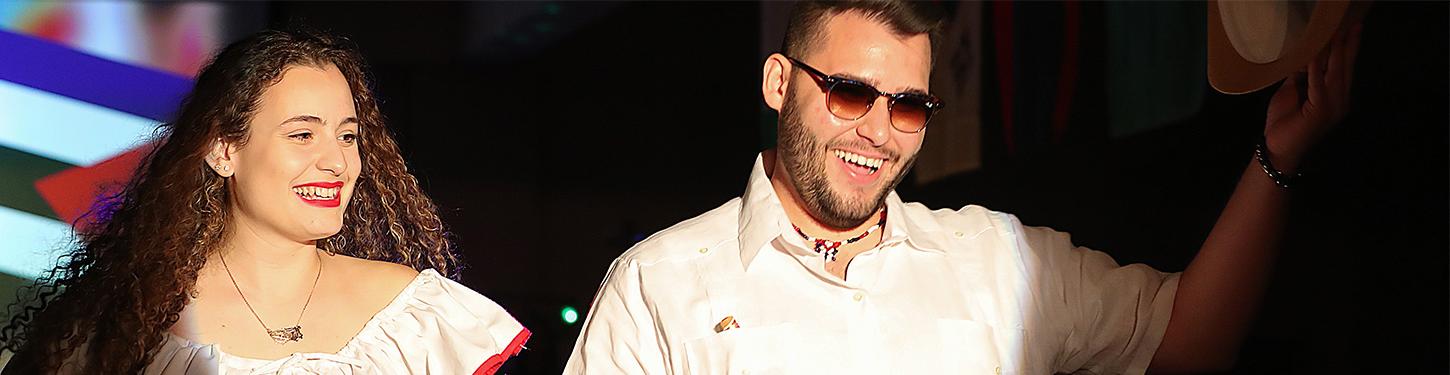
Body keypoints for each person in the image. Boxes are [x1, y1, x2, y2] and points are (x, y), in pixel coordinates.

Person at [564, 1, 1359, 374]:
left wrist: (1276, 157)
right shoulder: (658, 285)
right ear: (779, 82)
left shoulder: (997, 261)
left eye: (908, 104)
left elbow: (1188, 335)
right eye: (848, 91)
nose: (878, 128)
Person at [0, 29, 528, 374]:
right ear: (223, 150)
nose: (337, 162)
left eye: (347, 136)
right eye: (302, 135)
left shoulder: (412, 315)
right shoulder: (131, 325)